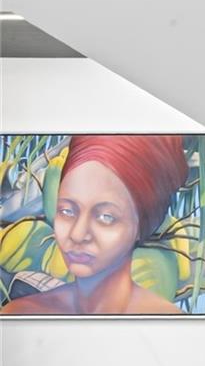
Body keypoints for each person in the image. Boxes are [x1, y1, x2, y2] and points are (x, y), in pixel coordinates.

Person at [1, 134, 189, 315]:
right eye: (67, 211)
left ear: (143, 225)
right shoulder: (19, 312)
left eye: (106, 217)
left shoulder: (172, 326)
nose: (78, 234)